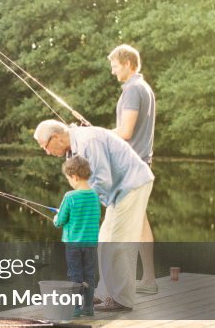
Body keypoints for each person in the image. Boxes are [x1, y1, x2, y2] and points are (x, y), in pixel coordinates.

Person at [33, 120, 154, 312]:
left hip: (131, 185)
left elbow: (103, 180)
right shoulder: (75, 147)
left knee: (116, 243)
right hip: (119, 190)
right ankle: (106, 293)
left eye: (44, 146)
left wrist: (80, 206)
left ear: (55, 137)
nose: (46, 152)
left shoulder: (89, 141)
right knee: (104, 239)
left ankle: (122, 300)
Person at [108, 44, 157, 294]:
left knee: (118, 226)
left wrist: (96, 134)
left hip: (130, 168)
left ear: (127, 64)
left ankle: (117, 285)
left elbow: (125, 132)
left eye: (115, 66)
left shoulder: (133, 90)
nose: (113, 71)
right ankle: (148, 279)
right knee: (140, 223)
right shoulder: (144, 88)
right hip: (141, 165)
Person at [53, 155, 100, 317]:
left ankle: (75, 309)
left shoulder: (70, 196)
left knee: (75, 275)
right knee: (89, 274)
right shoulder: (95, 196)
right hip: (91, 244)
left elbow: (59, 222)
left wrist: (56, 216)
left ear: (75, 177)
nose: (70, 183)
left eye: (69, 179)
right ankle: (88, 307)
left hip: (73, 245)